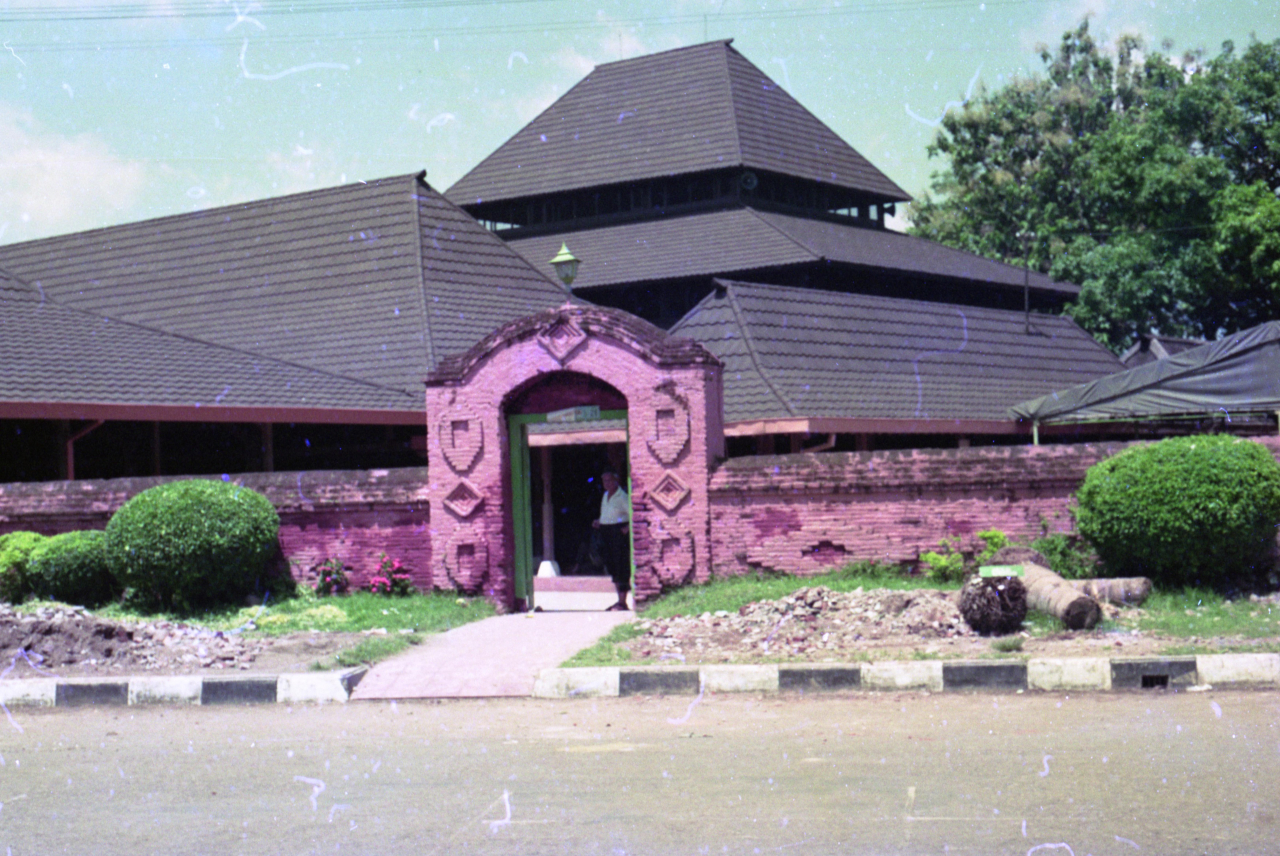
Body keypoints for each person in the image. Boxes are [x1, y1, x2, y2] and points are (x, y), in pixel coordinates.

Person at [592, 469, 631, 611]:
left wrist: (627, 527)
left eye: (609, 480)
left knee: (621, 564)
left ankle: (622, 602)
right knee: (612, 565)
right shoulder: (605, 495)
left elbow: (632, 513)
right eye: (604, 481)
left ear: (616, 481)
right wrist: (599, 521)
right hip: (606, 531)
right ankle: (618, 600)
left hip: (618, 533)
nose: (606, 484)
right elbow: (606, 514)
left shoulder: (622, 496)